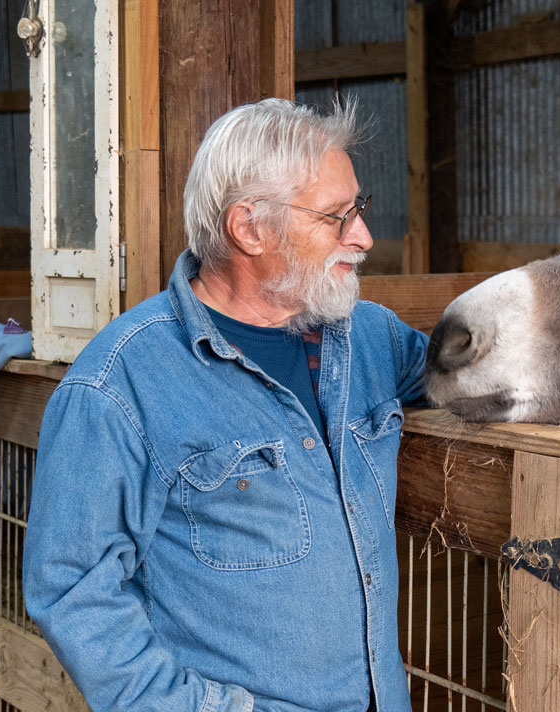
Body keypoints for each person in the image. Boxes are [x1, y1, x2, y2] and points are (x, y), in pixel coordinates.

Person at [23, 98, 427, 712]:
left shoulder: (369, 338)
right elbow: (73, 588)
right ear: (249, 228)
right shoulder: (120, 379)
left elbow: (479, 370)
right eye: (336, 217)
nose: (364, 237)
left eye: (360, 209)